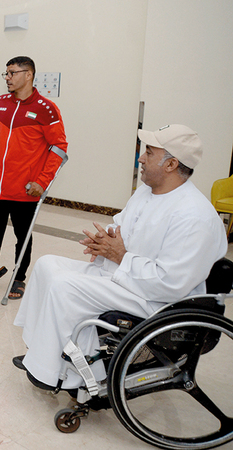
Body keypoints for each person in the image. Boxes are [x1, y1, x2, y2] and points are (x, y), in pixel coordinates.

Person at [13, 124, 227, 391]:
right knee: (46, 265)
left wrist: (120, 256)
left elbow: (170, 282)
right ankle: (41, 354)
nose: (141, 158)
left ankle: (68, 375)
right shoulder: (146, 192)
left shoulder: (194, 216)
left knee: (64, 287)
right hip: (126, 276)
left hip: (157, 299)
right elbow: (121, 226)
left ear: (171, 164)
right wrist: (103, 242)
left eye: (149, 153)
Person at [0, 56, 68, 299]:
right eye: (6, 73)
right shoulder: (0, 103)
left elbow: (59, 148)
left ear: (28, 75)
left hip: (25, 190)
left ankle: (19, 277)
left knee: (22, 236)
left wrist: (42, 182)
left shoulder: (46, 109)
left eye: (12, 73)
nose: (7, 78)